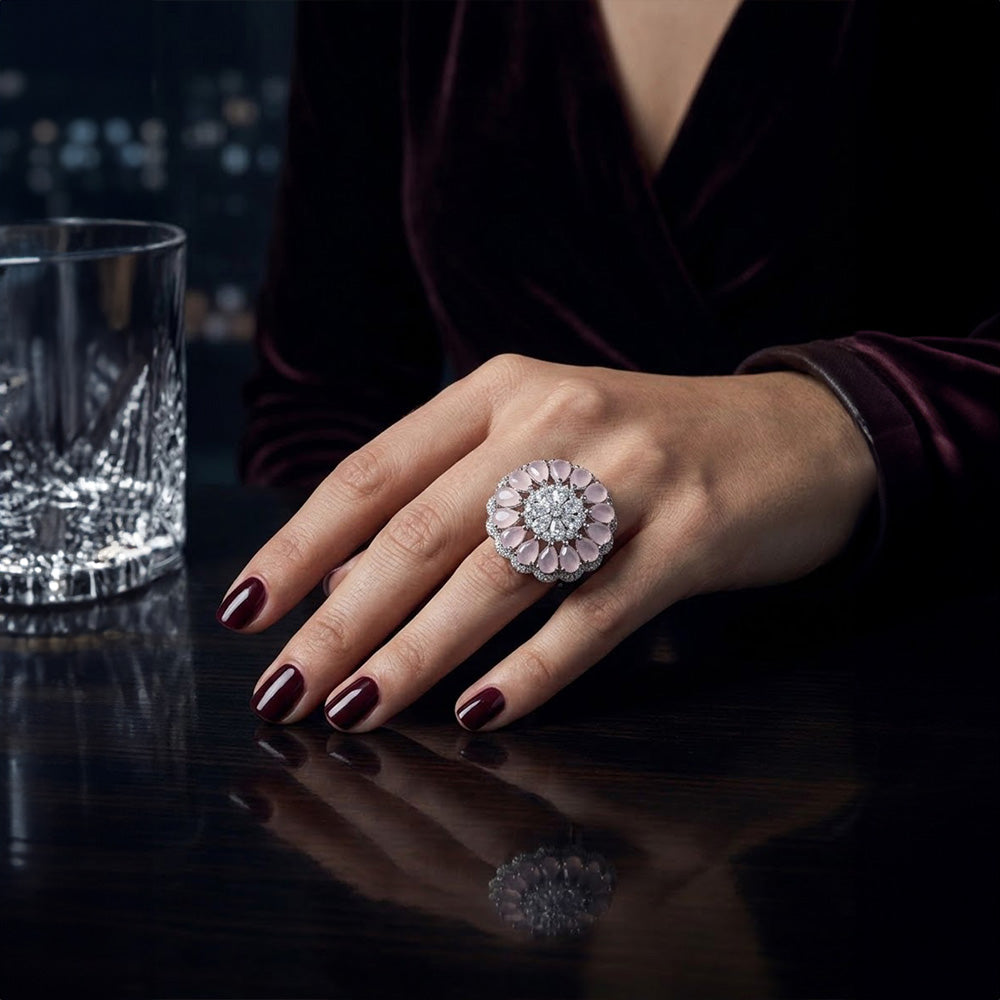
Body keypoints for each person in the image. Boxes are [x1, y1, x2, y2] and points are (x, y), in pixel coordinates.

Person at [216, 1, 1000, 732]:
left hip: (915, 702)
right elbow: (321, 393)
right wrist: (360, 593)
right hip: (502, 718)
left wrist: (847, 422)